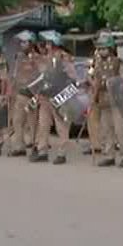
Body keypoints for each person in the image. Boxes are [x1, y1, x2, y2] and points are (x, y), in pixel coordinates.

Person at [31, 30, 76, 165]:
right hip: (45, 95)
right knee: (43, 124)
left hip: (59, 95)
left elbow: (73, 78)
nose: (47, 46)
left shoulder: (64, 58)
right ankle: (42, 151)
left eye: (49, 43)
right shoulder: (46, 57)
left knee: (61, 126)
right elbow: (42, 76)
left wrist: (64, 95)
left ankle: (62, 153)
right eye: (46, 43)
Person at [90, 34, 123, 167]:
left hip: (116, 100)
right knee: (106, 129)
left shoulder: (118, 62)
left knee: (119, 129)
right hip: (103, 99)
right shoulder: (97, 63)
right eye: (100, 49)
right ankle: (110, 155)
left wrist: (112, 82)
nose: (102, 51)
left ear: (110, 48)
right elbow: (95, 80)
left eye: (104, 48)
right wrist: (94, 96)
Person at [8, 30, 42, 158]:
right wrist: (11, 90)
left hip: (32, 94)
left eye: (25, 42)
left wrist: (38, 94)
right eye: (21, 42)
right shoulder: (19, 57)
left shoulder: (38, 58)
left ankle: (35, 146)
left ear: (31, 43)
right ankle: (19, 146)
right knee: (17, 121)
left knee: (32, 122)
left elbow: (41, 77)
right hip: (20, 93)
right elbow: (15, 75)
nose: (22, 44)